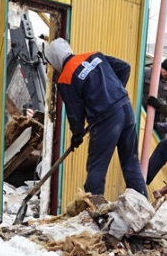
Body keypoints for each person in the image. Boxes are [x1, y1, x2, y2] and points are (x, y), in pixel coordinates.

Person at [44, 38, 147, 198]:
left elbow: (75, 113)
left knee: (97, 167)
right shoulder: (94, 56)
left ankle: (94, 213)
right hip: (126, 108)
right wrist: (114, 92)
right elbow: (124, 67)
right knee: (131, 162)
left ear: (55, 59)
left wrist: (77, 135)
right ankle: (143, 206)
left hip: (106, 119)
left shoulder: (66, 78)